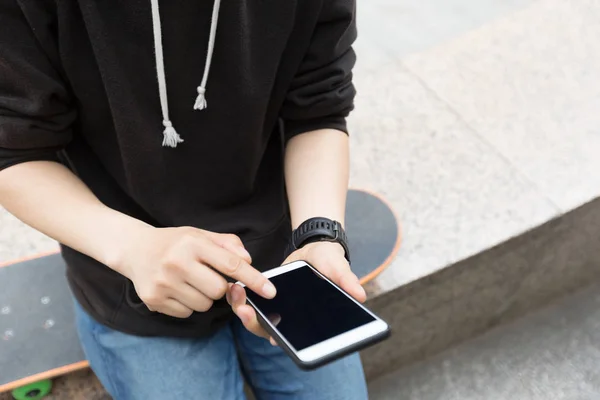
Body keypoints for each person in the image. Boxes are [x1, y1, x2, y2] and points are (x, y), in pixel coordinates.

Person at [0, 0, 368, 399]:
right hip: (129, 274)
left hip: (280, 262)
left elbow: (319, 110)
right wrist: (132, 247)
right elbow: (16, 150)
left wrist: (320, 235)